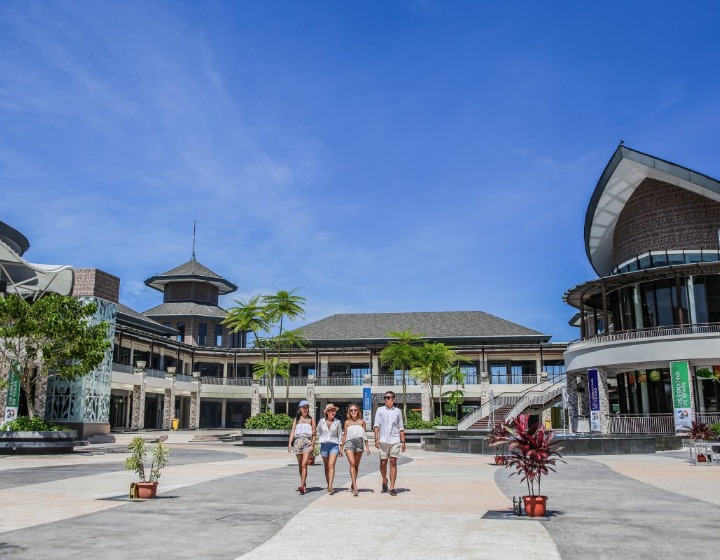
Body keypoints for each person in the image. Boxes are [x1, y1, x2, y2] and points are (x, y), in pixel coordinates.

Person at [373, 391, 406, 496]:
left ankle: (392, 487)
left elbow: (401, 427)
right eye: (385, 397)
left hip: (395, 439)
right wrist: (376, 439)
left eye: (388, 397)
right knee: (383, 463)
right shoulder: (380, 410)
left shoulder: (398, 411)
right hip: (383, 440)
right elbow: (376, 425)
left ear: (393, 399)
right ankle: (384, 480)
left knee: (393, 462)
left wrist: (403, 441)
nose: (386, 399)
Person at [340, 402, 370, 496]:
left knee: (356, 465)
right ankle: (355, 486)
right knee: (352, 463)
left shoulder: (362, 422)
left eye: (355, 410)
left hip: (359, 444)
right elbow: (344, 435)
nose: (353, 411)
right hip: (349, 443)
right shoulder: (347, 422)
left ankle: (353, 483)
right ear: (349, 412)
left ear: (358, 411)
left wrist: (367, 447)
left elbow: (364, 435)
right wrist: (341, 447)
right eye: (351, 410)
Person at [288, 399, 316, 495]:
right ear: (300, 408)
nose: (305, 409)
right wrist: (289, 443)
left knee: (304, 464)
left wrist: (312, 445)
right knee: (300, 465)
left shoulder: (311, 419)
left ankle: (301, 485)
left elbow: (314, 434)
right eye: (303, 407)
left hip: (307, 443)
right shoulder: (296, 419)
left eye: (307, 407)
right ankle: (304, 485)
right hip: (298, 443)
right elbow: (292, 431)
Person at [316, 403, 343, 494]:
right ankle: (328, 484)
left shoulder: (337, 422)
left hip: (334, 445)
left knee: (331, 465)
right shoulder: (321, 421)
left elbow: (340, 435)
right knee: (326, 466)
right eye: (331, 410)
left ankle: (331, 485)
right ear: (327, 412)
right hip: (324, 445)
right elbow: (318, 431)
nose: (333, 412)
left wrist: (340, 447)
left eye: (334, 410)